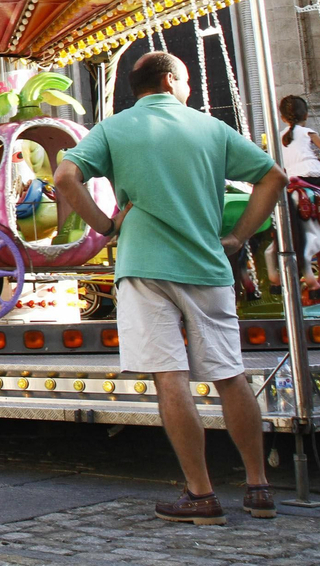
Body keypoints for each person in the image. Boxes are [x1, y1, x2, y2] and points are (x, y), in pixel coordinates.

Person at [54, 51, 285, 525]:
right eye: (187, 81)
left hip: (143, 265)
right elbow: (274, 177)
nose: (191, 90)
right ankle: (259, 486)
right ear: (170, 80)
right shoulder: (211, 129)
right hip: (206, 263)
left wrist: (104, 225)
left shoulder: (114, 128)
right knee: (229, 374)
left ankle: (201, 495)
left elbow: (64, 176)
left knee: (169, 376)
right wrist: (239, 236)